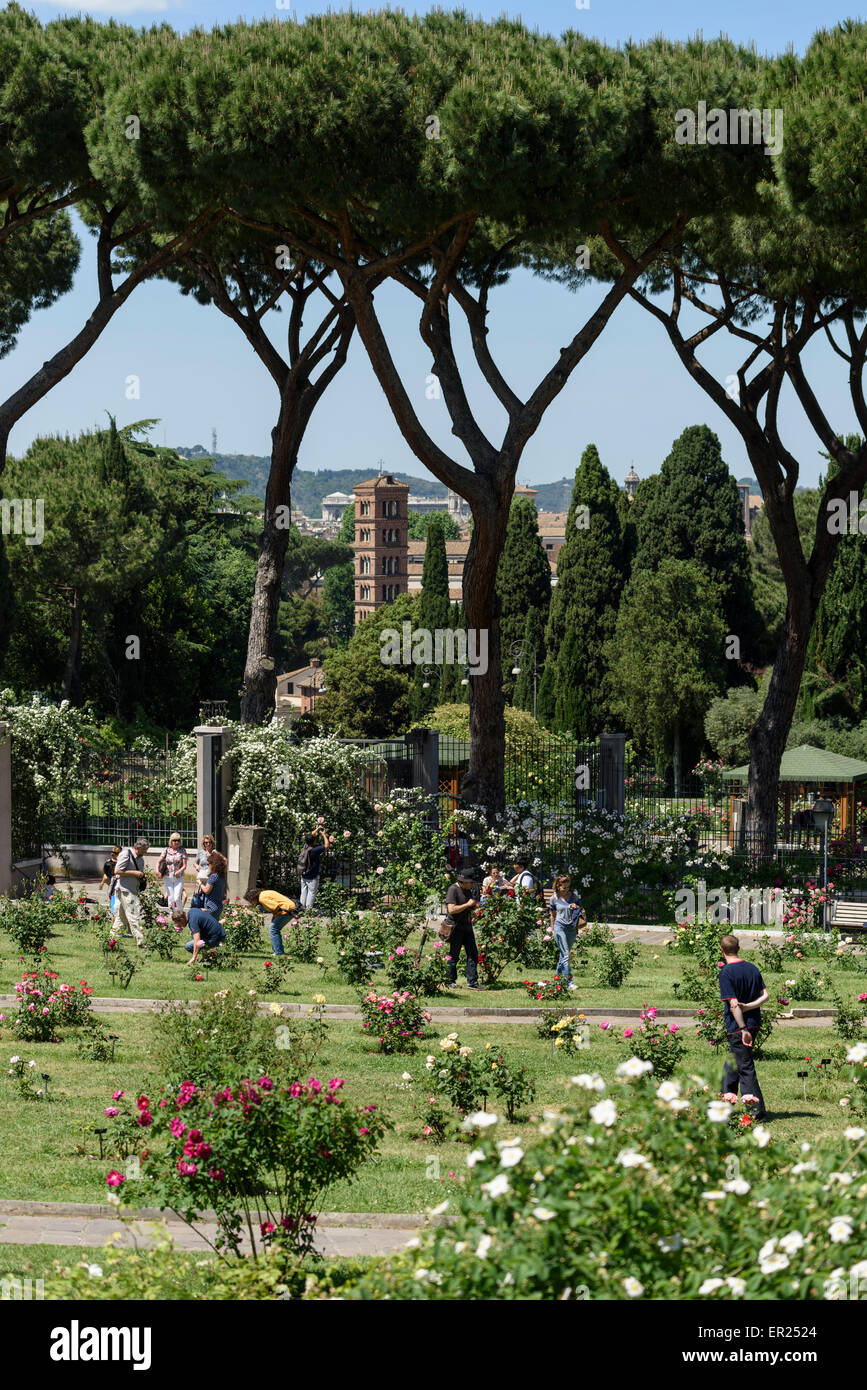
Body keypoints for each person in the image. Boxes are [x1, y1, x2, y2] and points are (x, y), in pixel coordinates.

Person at [718, 934, 769, 1120]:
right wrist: (750, 1007)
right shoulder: (752, 968)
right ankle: (723, 1103)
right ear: (738, 949)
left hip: (739, 1027)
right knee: (732, 1065)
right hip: (754, 1022)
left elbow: (733, 1004)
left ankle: (756, 1112)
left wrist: (743, 1029)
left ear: (721, 951)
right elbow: (765, 996)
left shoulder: (726, 973)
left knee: (745, 1066)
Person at [444, 870, 482, 990]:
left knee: (473, 954)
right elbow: (452, 909)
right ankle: (450, 981)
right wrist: (467, 904)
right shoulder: (453, 889)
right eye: (471, 882)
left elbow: (468, 906)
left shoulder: (468, 890)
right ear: (464, 881)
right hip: (456, 927)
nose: (472, 884)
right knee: (454, 955)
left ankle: (472, 982)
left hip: (467, 926)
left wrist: (474, 906)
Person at [548, 874, 587, 984]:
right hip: (559, 927)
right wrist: (552, 929)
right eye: (564, 887)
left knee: (564, 954)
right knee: (565, 955)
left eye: (568, 887)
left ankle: (557, 977)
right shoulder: (554, 898)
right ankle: (568, 982)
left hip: (571, 929)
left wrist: (576, 906)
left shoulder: (573, 896)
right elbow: (553, 915)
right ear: (558, 886)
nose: (566, 889)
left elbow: (581, 909)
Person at [112, 839, 149, 946]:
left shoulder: (141, 859)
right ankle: (141, 942)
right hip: (124, 890)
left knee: (121, 918)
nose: (145, 852)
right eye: (144, 850)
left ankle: (111, 939)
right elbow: (117, 871)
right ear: (138, 848)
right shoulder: (126, 854)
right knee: (133, 916)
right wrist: (135, 873)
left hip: (133, 890)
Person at [244, 887, 298, 957]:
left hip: (286, 910)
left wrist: (275, 917)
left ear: (253, 897)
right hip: (291, 907)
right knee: (274, 928)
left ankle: (278, 952)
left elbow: (275, 907)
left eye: (250, 901)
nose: (251, 903)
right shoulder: (266, 892)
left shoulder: (262, 898)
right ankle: (278, 950)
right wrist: (274, 917)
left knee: (273, 929)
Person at [298, 827, 327, 910]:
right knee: (311, 892)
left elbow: (310, 835)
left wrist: (317, 829)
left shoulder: (305, 846)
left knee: (303, 891)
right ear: (314, 841)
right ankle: (308, 909)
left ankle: (301, 908)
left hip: (304, 874)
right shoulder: (315, 850)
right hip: (312, 875)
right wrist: (324, 835)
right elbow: (327, 845)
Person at [157, 834, 188, 911]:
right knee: (170, 897)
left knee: (177, 897)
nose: (176, 842)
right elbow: (158, 861)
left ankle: (180, 913)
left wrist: (180, 871)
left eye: (178, 840)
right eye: (174, 840)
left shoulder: (182, 851)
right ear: (171, 841)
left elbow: (184, 865)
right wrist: (157, 871)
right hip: (167, 876)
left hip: (179, 877)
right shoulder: (166, 850)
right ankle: (173, 915)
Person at [99, 846, 120, 916]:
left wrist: (102, 883)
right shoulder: (119, 862)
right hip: (117, 882)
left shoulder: (108, 862)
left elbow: (105, 874)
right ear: (118, 854)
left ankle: (113, 912)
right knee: (115, 898)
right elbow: (106, 875)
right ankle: (113, 913)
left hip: (112, 884)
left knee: (113, 897)